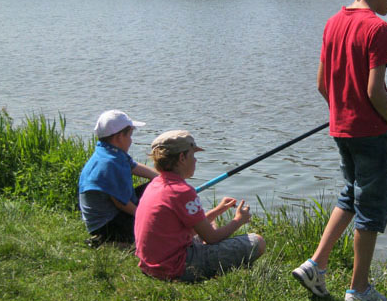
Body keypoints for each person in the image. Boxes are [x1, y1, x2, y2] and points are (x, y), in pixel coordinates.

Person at [292, 0, 387, 301]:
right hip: (371, 133)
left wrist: (344, 111)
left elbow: (321, 84)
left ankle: (316, 264)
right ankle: (358, 290)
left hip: (340, 128)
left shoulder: (333, 22)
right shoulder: (379, 29)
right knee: (370, 209)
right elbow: (376, 90)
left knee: (350, 193)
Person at [134, 130, 265, 282]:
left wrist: (218, 210)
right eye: (193, 155)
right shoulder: (182, 191)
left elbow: (190, 227)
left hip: (150, 265)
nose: (195, 160)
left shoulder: (156, 184)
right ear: (182, 158)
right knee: (258, 242)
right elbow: (211, 238)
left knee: (212, 223)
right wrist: (239, 220)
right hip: (175, 268)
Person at [78, 109, 159, 247]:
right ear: (119, 137)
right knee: (155, 230)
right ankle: (109, 241)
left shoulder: (108, 151)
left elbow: (133, 166)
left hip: (108, 217)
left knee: (157, 186)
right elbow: (121, 203)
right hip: (106, 224)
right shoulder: (111, 163)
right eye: (130, 135)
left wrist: (161, 177)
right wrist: (145, 218)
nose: (131, 140)